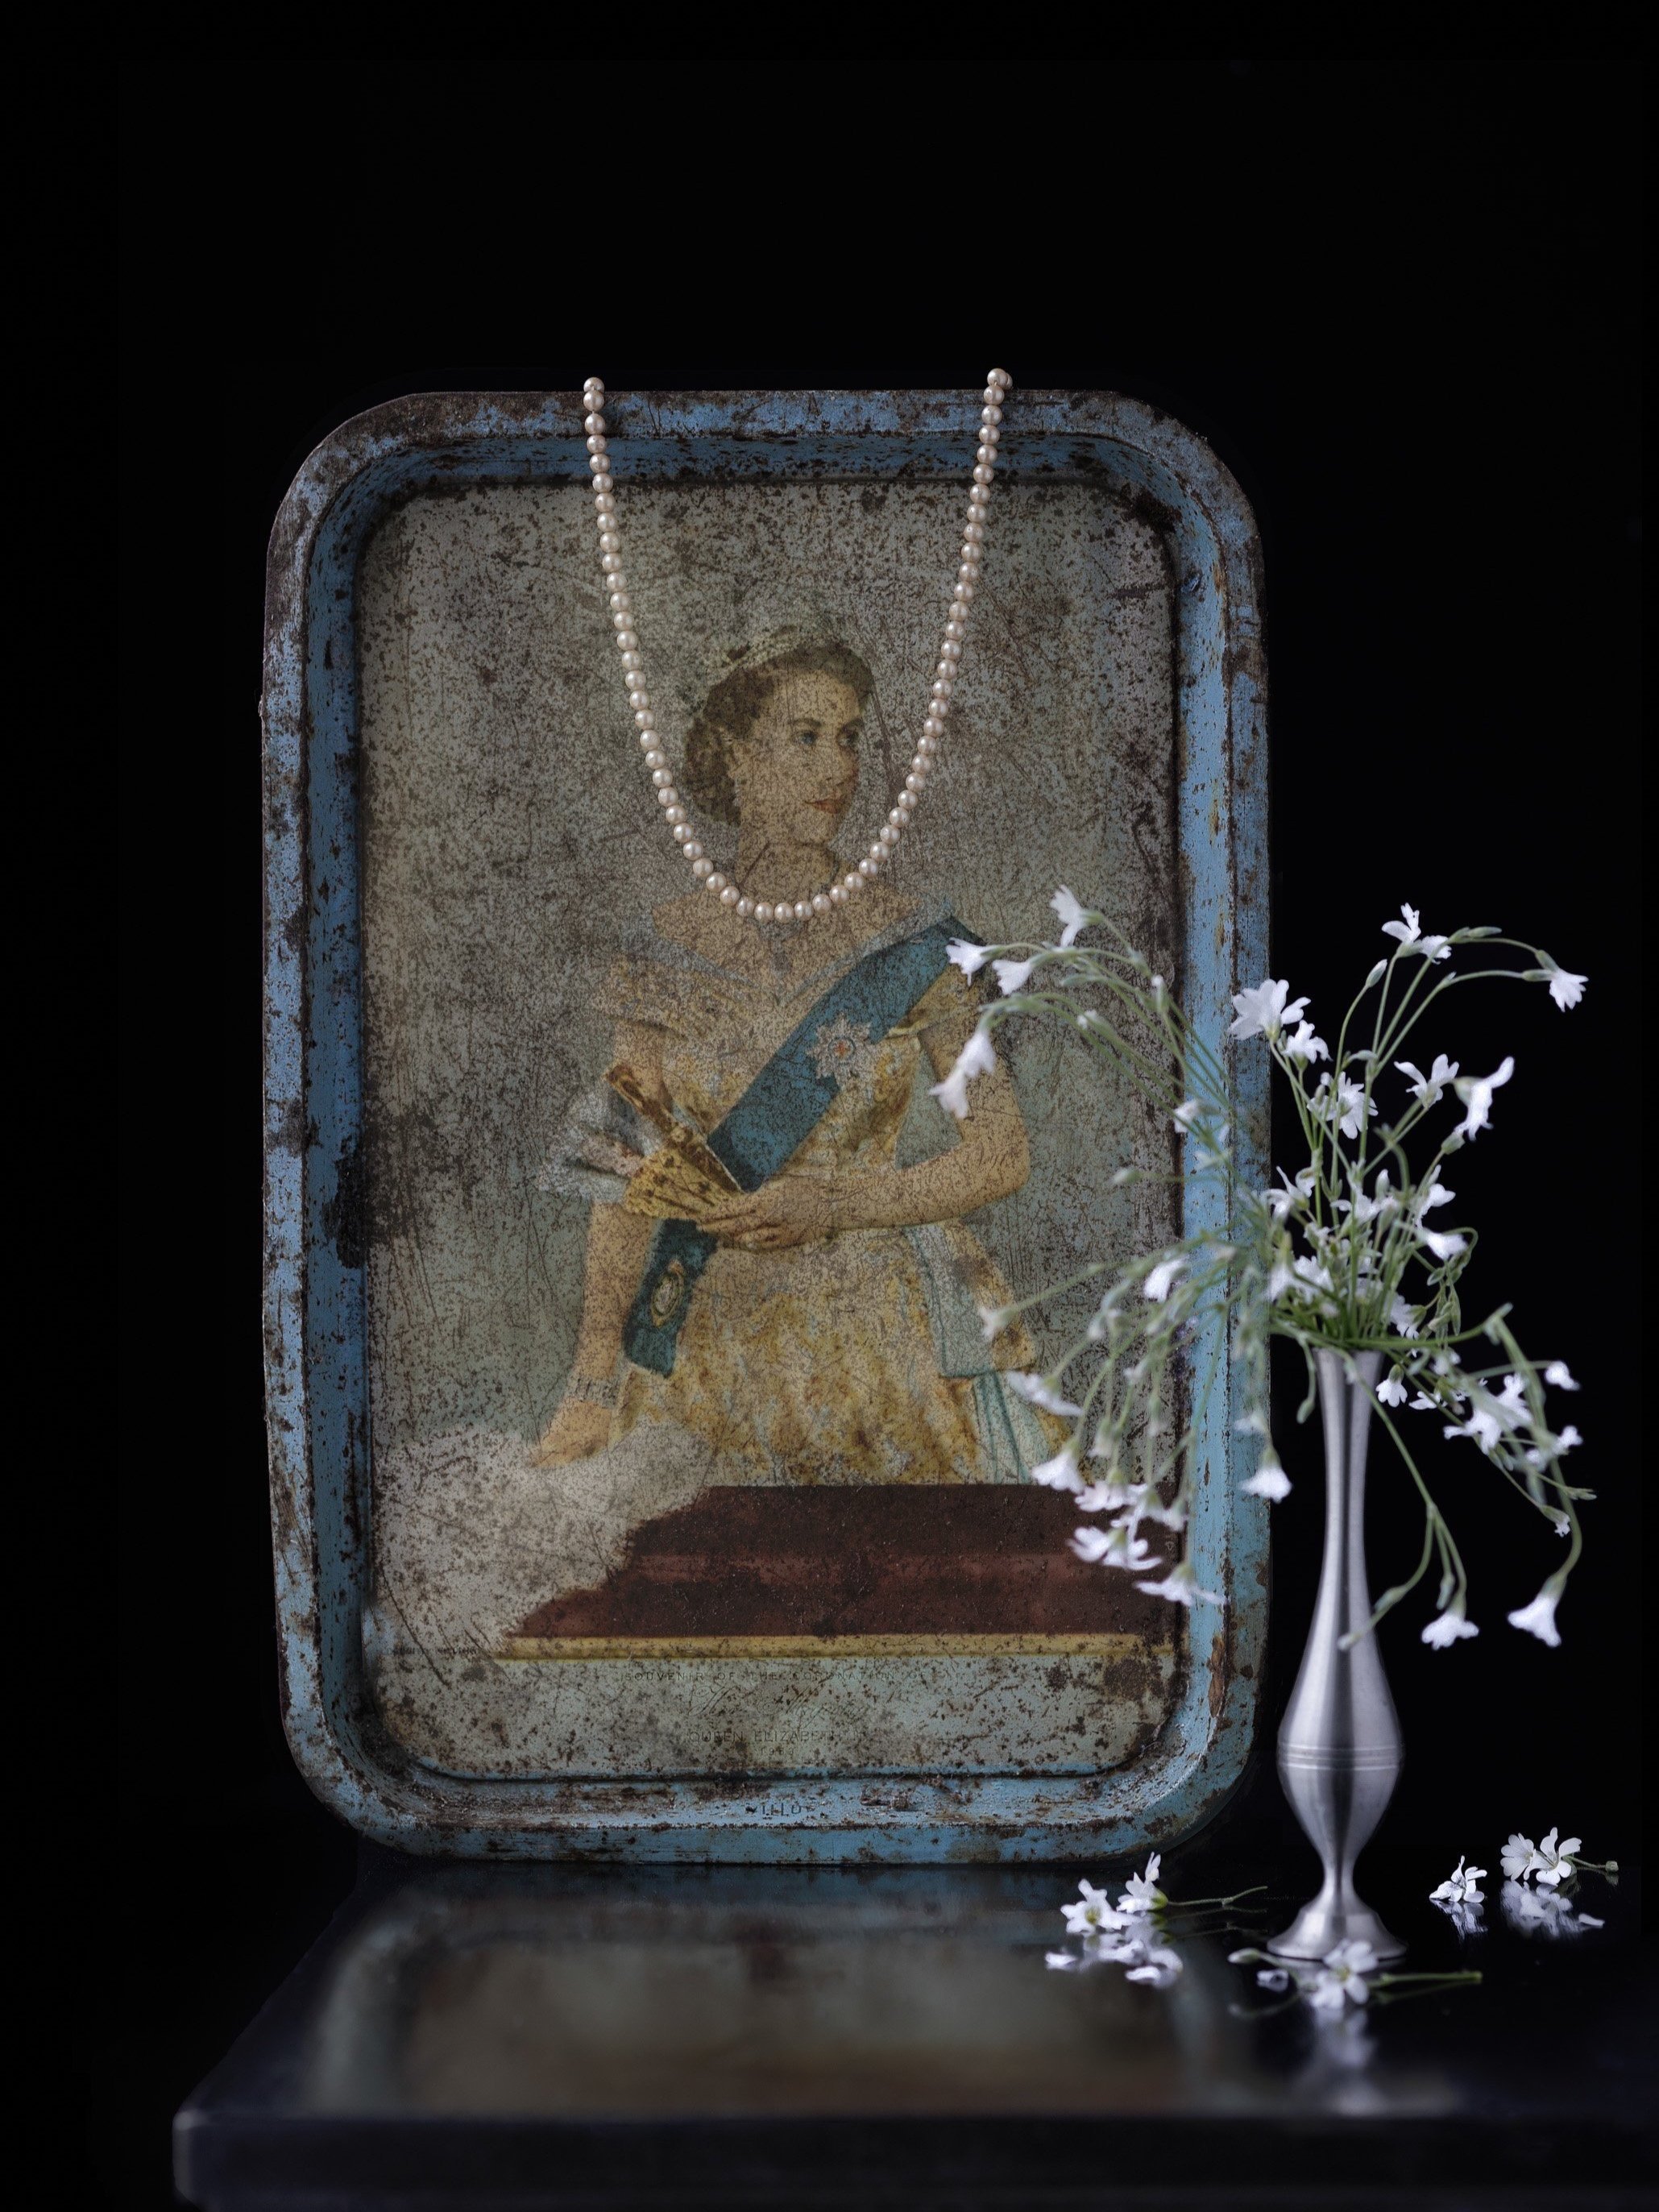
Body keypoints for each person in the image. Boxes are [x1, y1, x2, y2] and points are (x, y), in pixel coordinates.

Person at [533, 630, 1062, 1486]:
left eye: (849, 737)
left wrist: (836, 1202)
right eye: (806, 736)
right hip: (702, 1333)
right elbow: (621, 1180)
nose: (838, 768)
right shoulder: (660, 950)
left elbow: (1002, 1154)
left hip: (887, 1334)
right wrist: (594, 1379)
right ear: (735, 754)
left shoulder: (915, 943)